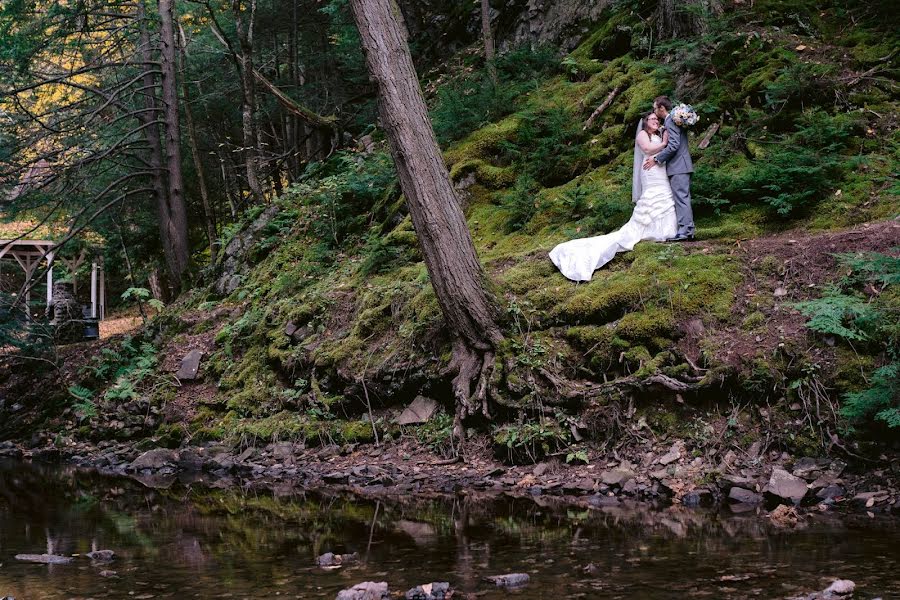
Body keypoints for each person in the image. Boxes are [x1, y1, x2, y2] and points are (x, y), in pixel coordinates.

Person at [549, 112, 677, 282]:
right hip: (650, 172)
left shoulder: (658, 134)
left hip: (660, 170)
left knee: (665, 196)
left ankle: (664, 230)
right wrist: (664, 143)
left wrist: (663, 142)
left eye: (657, 119)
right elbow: (647, 149)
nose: (656, 121)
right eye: (652, 119)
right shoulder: (642, 135)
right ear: (645, 122)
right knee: (652, 198)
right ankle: (650, 230)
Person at [643, 96, 694, 241]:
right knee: (683, 197)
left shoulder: (671, 120)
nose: (654, 111)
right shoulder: (672, 120)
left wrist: (657, 158)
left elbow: (673, 146)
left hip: (679, 165)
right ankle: (688, 229)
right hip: (682, 165)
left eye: (655, 108)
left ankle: (685, 231)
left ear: (661, 108)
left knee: (681, 198)